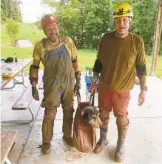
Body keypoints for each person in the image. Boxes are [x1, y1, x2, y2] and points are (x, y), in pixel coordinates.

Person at [90, 3, 147, 163]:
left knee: (121, 118)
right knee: (103, 114)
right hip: (105, 86)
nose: (121, 24)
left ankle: (120, 146)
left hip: (123, 90)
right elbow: (98, 62)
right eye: (118, 20)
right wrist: (94, 81)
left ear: (130, 21)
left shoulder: (137, 41)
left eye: (124, 20)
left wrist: (143, 89)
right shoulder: (106, 39)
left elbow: (141, 67)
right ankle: (103, 139)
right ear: (114, 22)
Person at [29, 14, 81, 154]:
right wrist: (33, 86)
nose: (53, 31)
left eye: (54, 27)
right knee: (50, 114)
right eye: (48, 29)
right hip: (52, 85)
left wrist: (78, 78)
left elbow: (75, 60)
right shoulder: (40, 46)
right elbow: (34, 67)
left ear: (58, 26)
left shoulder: (67, 41)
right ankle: (46, 142)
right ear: (44, 31)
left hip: (69, 83)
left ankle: (67, 135)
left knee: (69, 111)